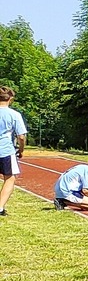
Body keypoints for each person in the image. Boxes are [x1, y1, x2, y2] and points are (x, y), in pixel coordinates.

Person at [0, 86, 26, 216]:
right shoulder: (14, 115)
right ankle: (0, 207)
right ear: (11, 99)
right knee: (9, 178)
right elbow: (21, 136)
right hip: (5, 150)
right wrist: (21, 150)